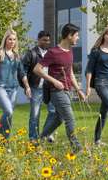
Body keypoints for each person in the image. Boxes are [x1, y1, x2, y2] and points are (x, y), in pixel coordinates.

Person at [34, 23, 86, 152]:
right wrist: (54, 81)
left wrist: (78, 90)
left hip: (67, 90)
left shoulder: (69, 51)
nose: (78, 38)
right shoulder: (53, 52)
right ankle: (76, 147)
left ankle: (39, 140)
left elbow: (70, 73)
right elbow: (37, 69)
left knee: (59, 118)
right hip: (56, 92)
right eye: (76, 35)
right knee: (70, 118)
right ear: (69, 36)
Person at [0, 29, 31, 140]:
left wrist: (27, 87)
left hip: (13, 88)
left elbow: (22, 73)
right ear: (5, 39)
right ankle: (1, 136)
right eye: (10, 39)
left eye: (14, 40)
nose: (12, 41)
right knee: (8, 110)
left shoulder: (17, 55)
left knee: (9, 115)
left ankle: (4, 140)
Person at [22, 30, 57, 142]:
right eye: (44, 40)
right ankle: (33, 137)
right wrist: (26, 86)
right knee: (35, 114)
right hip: (35, 87)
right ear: (38, 40)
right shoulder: (31, 53)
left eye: (48, 40)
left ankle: (47, 134)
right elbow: (23, 71)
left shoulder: (51, 53)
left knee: (53, 111)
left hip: (49, 87)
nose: (47, 42)